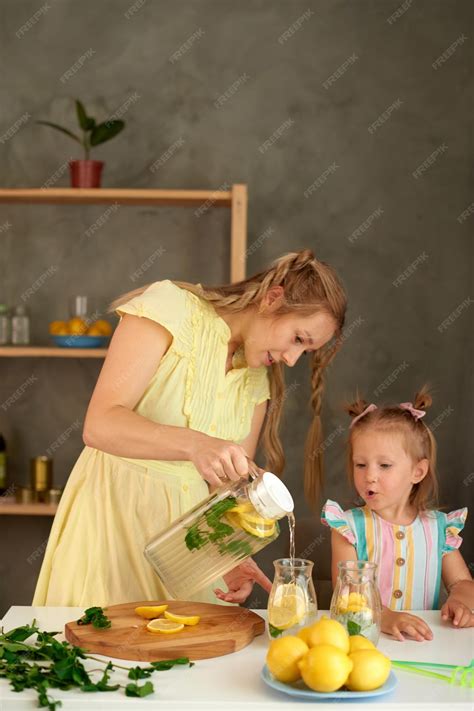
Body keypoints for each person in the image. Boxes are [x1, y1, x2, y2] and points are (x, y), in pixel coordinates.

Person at [33, 249, 347, 607]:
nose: (292, 359)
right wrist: (195, 444)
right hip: (110, 527)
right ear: (272, 299)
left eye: (304, 353)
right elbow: (100, 424)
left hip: (183, 554)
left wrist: (229, 555)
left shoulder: (257, 379)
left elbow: (226, 488)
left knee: (187, 657)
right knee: (97, 652)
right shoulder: (170, 309)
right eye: (298, 338)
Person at [322, 387, 474, 641]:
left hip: (422, 645)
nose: (369, 475)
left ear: (417, 471)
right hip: (364, 642)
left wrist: (460, 601)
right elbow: (348, 595)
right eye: (361, 464)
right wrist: (384, 616)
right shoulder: (348, 528)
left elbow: (462, 583)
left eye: (384, 465)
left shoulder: (438, 529)